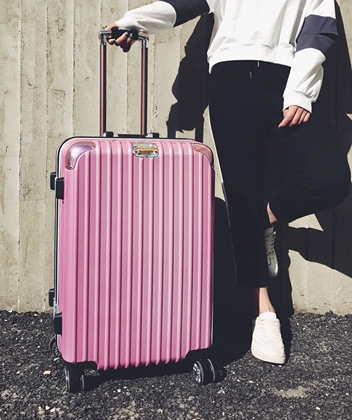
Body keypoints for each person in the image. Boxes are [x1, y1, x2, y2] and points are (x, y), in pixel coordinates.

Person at [105, 0, 351, 365]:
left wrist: (300, 91)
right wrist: (134, 22)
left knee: (330, 179)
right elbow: (184, 3)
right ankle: (264, 313)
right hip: (230, 79)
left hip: (287, 78)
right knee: (241, 193)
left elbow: (320, 30)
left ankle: (265, 219)